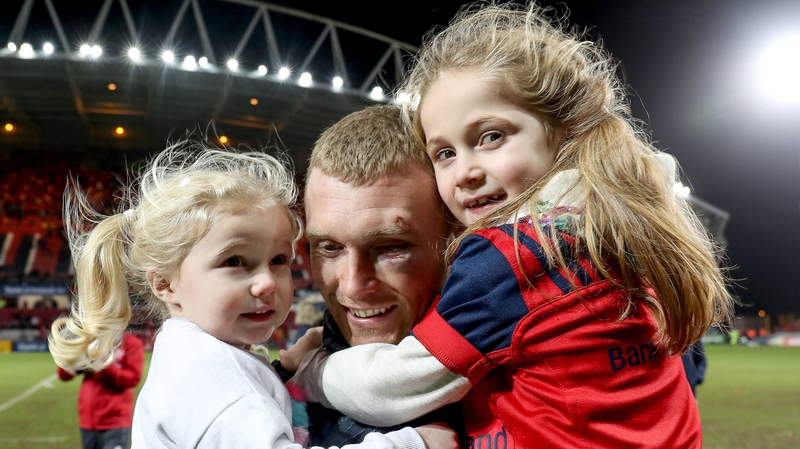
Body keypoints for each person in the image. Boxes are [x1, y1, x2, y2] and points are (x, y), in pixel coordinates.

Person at [291, 3, 734, 448]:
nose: (465, 172)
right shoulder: (621, 224)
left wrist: (310, 370)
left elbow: (398, 384)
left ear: (565, 131)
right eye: (445, 153)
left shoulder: (512, 253)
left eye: (491, 137)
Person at [48, 143, 452, 449]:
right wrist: (410, 443)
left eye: (279, 260)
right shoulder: (218, 384)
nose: (267, 283)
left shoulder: (198, 357)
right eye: (235, 261)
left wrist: (282, 370)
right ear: (165, 284)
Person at [277, 105, 466, 447]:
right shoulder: (271, 395)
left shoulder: (522, 386)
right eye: (329, 248)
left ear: (455, 237)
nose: (352, 286)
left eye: (391, 247)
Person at [57, 331, 144, 449]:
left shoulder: (131, 343)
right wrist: (71, 361)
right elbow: (64, 374)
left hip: (115, 421)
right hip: (88, 419)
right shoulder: (91, 340)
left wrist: (102, 365)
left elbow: (133, 378)